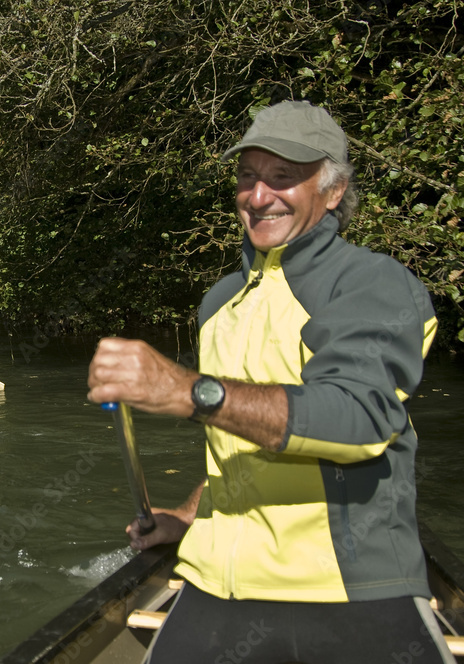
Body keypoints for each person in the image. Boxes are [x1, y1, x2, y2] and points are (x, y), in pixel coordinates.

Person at [87, 101, 452, 663]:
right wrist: (188, 514)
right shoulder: (219, 301)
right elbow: (241, 438)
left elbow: (357, 418)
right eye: (248, 176)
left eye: (284, 177)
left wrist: (187, 391)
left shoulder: (374, 284)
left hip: (351, 590)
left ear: (333, 192)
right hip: (217, 582)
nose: (259, 197)